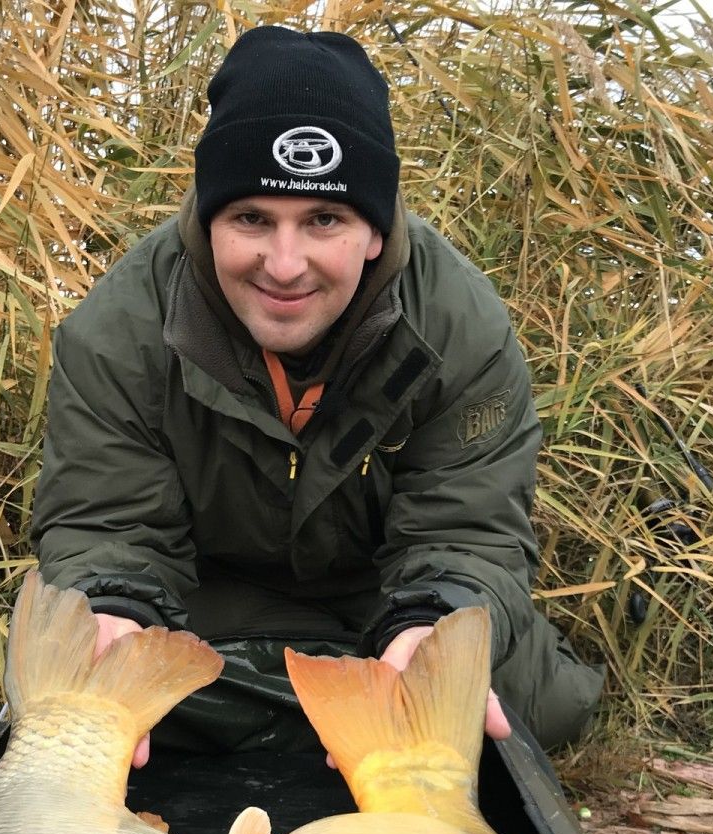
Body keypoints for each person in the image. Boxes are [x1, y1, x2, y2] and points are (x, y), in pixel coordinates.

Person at [31, 25, 603, 765]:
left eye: (324, 219)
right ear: (210, 221)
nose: (285, 264)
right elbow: (108, 527)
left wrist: (431, 637)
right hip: (211, 602)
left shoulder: (460, 324)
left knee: (529, 702)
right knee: (67, 673)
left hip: (382, 606)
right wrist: (113, 615)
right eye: (252, 219)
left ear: (374, 229)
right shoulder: (118, 330)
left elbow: (467, 532)